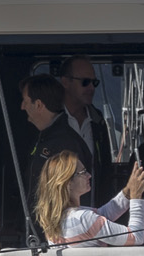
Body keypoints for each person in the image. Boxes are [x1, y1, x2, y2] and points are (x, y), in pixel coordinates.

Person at [33, 150, 144, 248]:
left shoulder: (57, 219)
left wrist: (128, 192)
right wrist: (136, 197)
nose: (89, 175)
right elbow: (136, 237)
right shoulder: (84, 218)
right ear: (67, 183)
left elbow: (103, 214)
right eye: (82, 172)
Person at [18, 73, 92, 210]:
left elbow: (81, 192)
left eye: (26, 102)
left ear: (39, 105)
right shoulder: (43, 139)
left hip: (59, 229)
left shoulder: (66, 144)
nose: (22, 107)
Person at [57, 56, 117, 190]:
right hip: (60, 209)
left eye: (94, 83)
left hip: (93, 208)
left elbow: (105, 169)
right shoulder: (52, 120)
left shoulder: (98, 122)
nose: (91, 88)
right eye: (85, 82)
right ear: (65, 82)